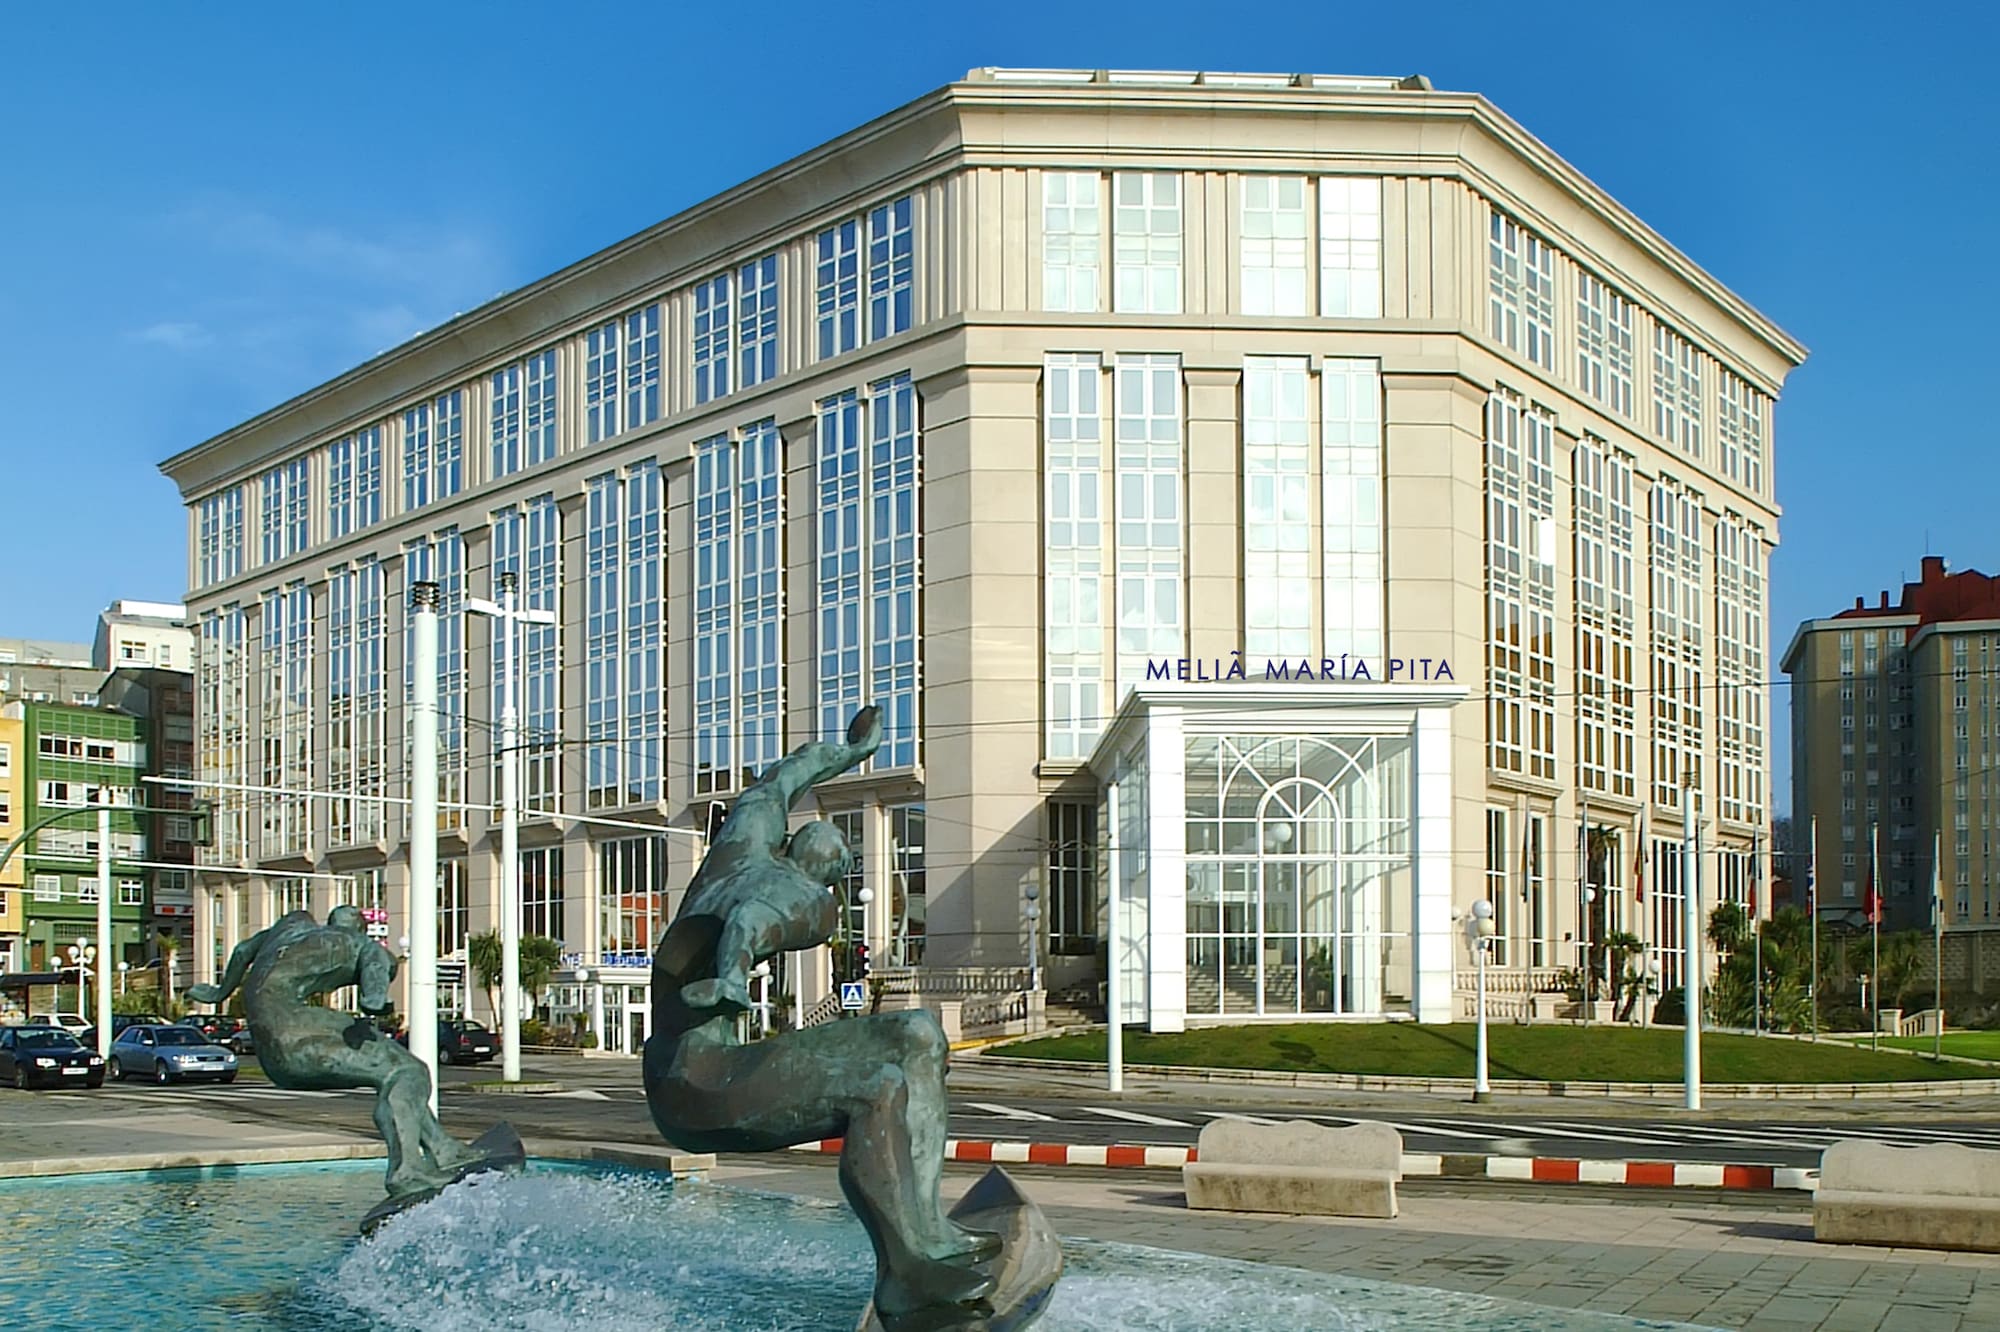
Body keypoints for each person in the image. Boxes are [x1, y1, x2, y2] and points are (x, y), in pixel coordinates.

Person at [645, 706, 1000, 1326]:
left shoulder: (742, 841)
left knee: (917, 1033)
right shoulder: (809, 901)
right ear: (834, 872)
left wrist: (852, 751)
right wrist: (731, 970)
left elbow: (781, 777)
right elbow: (756, 920)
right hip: (698, 1086)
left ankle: (926, 1231)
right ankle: (906, 1270)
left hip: (698, 1063)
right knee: (878, 1086)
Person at [189, 906, 485, 1198]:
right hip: (297, 1034)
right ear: (360, 927)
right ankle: (406, 1171)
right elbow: (375, 974)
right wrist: (374, 999)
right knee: (409, 1072)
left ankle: (444, 1149)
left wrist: (218, 993)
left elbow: (242, 951)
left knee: (398, 1068)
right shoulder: (362, 944)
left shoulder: (289, 928)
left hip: (269, 1046)